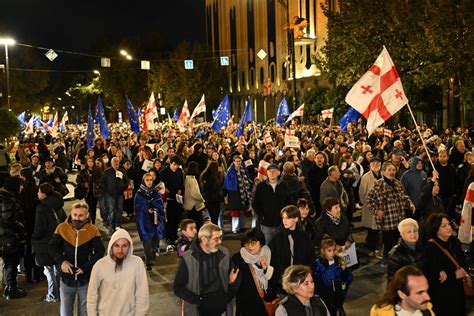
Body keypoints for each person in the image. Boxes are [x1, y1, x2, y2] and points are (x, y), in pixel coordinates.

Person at [49, 202, 105, 316]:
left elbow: (100, 252)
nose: (77, 218)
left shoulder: (93, 230)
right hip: (65, 281)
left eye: (81, 215)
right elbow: (52, 248)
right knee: (65, 313)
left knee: (84, 312)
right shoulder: (61, 228)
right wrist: (62, 261)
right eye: (74, 215)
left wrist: (86, 267)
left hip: (85, 280)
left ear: (87, 215)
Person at [173, 223, 239, 316]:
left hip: (221, 309)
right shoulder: (189, 259)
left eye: (221, 237)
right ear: (204, 239)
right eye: (216, 239)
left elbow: (236, 275)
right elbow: (178, 288)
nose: (220, 242)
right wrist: (198, 300)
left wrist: (228, 293)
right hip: (199, 310)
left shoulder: (224, 253)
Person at [87, 228, 149, 316]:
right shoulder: (99, 265)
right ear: (111, 246)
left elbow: (142, 293)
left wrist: (140, 314)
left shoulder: (137, 263)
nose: (120, 250)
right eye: (116, 245)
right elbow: (91, 296)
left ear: (130, 246)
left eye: (124, 246)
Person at [367, 162, 416, 266]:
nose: (392, 172)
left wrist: (410, 204)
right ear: (383, 172)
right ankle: (386, 259)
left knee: (401, 242)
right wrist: (376, 211)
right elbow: (369, 200)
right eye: (389, 170)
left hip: (400, 219)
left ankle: (399, 260)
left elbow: (404, 196)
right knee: (388, 243)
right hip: (387, 221)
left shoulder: (398, 183)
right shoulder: (377, 185)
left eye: (393, 170)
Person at [423, 213, 470, 316]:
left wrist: (465, 272)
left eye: (448, 224)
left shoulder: (455, 242)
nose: (449, 227)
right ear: (435, 230)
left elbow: (463, 262)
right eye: (443, 226)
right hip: (443, 298)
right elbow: (432, 277)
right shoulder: (430, 249)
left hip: (459, 293)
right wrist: (454, 275)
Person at [269, 205, 315, 298]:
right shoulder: (277, 238)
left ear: (296, 219)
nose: (284, 221)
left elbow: (310, 258)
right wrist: (280, 278)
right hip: (282, 282)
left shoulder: (304, 237)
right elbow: (273, 260)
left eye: (288, 218)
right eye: (283, 218)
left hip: (300, 280)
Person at [32, 183, 67, 303]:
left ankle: (52, 295)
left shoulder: (42, 208)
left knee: (48, 271)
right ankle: (60, 294)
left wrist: (34, 238)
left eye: (39, 191)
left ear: (44, 194)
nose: (37, 194)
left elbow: (39, 229)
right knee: (57, 269)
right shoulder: (58, 204)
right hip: (58, 240)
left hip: (46, 243)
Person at [232, 228, 274, 316]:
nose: (249, 246)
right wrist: (231, 281)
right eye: (246, 243)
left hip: (264, 305)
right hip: (246, 305)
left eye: (253, 243)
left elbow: (275, 280)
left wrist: (266, 269)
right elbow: (233, 285)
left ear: (261, 243)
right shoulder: (238, 259)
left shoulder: (268, 255)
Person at [0, 175, 27, 300]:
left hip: (5, 236)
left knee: (8, 262)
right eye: (20, 185)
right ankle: (11, 289)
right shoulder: (7, 200)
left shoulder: (6, 197)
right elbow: (9, 220)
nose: (22, 188)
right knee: (11, 262)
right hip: (8, 237)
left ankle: (9, 287)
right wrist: (21, 227)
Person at [370, 265, 434, 315]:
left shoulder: (428, 311)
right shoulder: (382, 313)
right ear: (402, 294)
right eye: (420, 293)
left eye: (426, 290)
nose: (428, 297)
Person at [253, 163, 292, 243]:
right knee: (269, 245)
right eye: (270, 171)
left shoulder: (284, 185)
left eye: (274, 171)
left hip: (281, 222)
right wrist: (262, 216)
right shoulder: (261, 186)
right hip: (267, 223)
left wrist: (286, 216)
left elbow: (289, 201)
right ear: (267, 173)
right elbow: (255, 203)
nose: (272, 173)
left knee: (281, 244)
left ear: (279, 173)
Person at [313, 237, 353, 316]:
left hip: (337, 294)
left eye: (333, 250)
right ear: (323, 251)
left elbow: (345, 278)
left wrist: (344, 270)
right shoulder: (319, 264)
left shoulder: (339, 261)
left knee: (334, 311)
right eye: (329, 251)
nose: (332, 253)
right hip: (325, 295)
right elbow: (316, 279)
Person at [134, 172, 165, 270]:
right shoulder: (139, 193)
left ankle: (153, 252)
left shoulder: (155, 192)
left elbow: (160, 204)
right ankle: (148, 261)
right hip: (144, 220)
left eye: (151, 180)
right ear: (144, 181)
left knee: (154, 240)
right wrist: (147, 207)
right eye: (147, 180)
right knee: (147, 240)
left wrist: (154, 206)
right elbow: (138, 207)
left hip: (154, 219)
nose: (149, 182)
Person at [359, 157, 382, 258]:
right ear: (370, 165)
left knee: (378, 229)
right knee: (372, 229)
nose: (375, 165)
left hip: (381, 207)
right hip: (370, 207)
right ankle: (374, 248)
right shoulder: (366, 177)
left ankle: (371, 243)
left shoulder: (383, 175)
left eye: (377, 163)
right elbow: (361, 192)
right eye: (373, 163)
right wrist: (367, 204)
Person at [224, 155, 253, 234]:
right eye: (237, 161)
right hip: (234, 195)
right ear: (233, 162)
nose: (238, 163)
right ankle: (235, 228)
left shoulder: (243, 170)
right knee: (235, 213)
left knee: (243, 212)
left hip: (244, 194)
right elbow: (227, 185)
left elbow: (247, 180)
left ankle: (241, 227)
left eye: (239, 161)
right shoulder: (230, 172)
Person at [159, 155, 184, 245]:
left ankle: (174, 236)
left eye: (177, 165)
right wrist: (164, 188)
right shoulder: (164, 172)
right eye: (174, 165)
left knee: (176, 218)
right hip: (168, 198)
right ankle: (169, 237)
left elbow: (181, 182)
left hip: (177, 197)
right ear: (170, 163)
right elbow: (159, 183)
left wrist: (180, 189)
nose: (176, 167)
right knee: (169, 219)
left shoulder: (179, 171)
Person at [100, 157, 129, 234]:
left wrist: (123, 187)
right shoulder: (107, 171)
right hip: (110, 194)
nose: (116, 163)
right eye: (115, 161)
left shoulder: (122, 171)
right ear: (111, 163)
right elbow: (102, 182)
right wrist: (107, 191)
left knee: (119, 210)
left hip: (120, 194)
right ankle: (110, 226)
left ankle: (117, 225)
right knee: (111, 210)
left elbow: (126, 181)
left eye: (117, 161)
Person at [76, 157, 102, 224]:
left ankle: (92, 220)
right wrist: (83, 184)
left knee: (93, 207)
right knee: (91, 206)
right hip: (87, 193)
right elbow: (78, 180)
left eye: (91, 161)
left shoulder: (97, 170)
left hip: (95, 192)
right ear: (87, 163)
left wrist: (97, 184)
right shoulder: (83, 171)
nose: (90, 163)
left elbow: (101, 180)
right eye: (89, 161)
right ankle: (91, 220)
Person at [183, 161, 209, 229]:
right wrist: (202, 199)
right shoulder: (191, 179)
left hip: (188, 204)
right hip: (194, 205)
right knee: (198, 223)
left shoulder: (186, 178)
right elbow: (195, 193)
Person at [200, 160, 224, 225]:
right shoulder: (211, 178)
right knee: (214, 218)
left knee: (214, 217)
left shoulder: (208, 177)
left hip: (212, 200)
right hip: (213, 200)